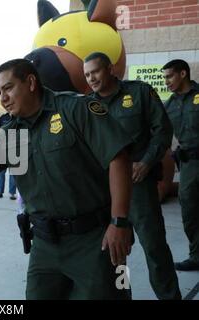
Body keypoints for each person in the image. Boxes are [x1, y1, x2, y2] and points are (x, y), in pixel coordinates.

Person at [0, 59, 134, 300]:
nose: (2, 98)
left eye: (8, 88)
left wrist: (120, 222)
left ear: (30, 82)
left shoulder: (75, 108)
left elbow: (119, 158)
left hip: (95, 240)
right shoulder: (11, 134)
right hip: (44, 245)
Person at [83, 52, 181, 300]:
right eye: (87, 74)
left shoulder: (139, 92)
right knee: (116, 253)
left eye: (95, 71)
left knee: (154, 248)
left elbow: (162, 131)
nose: (91, 78)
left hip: (139, 187)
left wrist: (147, 162)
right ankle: (122, 295)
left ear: (110, 69)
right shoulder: (86, 105)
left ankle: (170, 296)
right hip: (104, 191)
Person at [162, 59, 199, 271]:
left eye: (169, 76)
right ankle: (196, 256)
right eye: (165, 77)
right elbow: (158, 133)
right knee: (190, 211)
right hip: (189, 164)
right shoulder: (169, 105)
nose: (166, 81)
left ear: (183, 74)